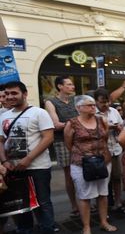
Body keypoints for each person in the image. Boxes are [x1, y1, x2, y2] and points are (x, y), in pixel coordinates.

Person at [0, 81, 56, 233]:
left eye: (14, 93)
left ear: (24, 94)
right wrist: (5, 161)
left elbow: (48, 138)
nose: (10, 97)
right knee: (20, 206)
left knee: (42, 203)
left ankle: (47, 230)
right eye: (7, 94)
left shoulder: (39, 113)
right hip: (13, 169)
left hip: (38, 168)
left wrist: (28, 159)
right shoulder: (4, 116)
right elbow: (1, 141)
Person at [64, 95, 117, 234]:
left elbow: (105, 138)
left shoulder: (101, 120)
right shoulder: (72, 123)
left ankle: (104, 222)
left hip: (103, 161)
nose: (93, 107)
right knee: (85, 195)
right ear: (78, 107)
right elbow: (69, 144)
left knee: (103, 193)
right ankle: (86, 226)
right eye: (89, 105)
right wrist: (84, 154)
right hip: (82, 164)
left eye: (94, 104)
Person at [44, 76, 79, 218]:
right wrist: (77, 124)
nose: (72, 87)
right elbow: (56, 124)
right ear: (60, 86)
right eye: (69, 84)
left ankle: (85, 201)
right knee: (69, 174)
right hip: (62, 141)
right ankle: (74, 205)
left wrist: (72, 124)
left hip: (80, 139)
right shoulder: (51, 102)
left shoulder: (75, 100)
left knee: (84, 170)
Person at [93, 88, 125, 214]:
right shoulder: (93, 113)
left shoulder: (114, 111)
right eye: (102, 102)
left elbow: (122, 127)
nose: (106, 104)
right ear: (96, 101)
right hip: (101, 150)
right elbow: (93, 131)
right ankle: (103, 207)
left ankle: (118, 202)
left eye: (107, 101)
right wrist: (107, 128)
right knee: (102, 180)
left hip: (116, 148)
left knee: (117, 177)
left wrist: (119, 128)